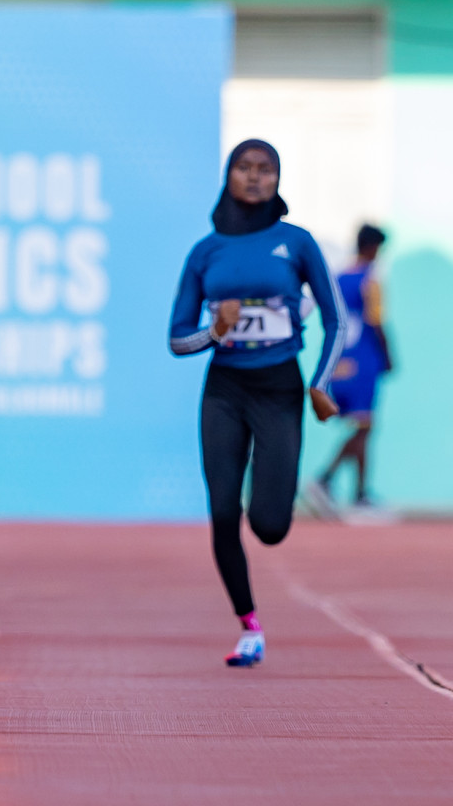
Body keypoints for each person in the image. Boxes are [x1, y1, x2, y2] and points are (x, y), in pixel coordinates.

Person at [168, 139, 346, 667]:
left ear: (277, 179)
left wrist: (321, 382)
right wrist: (212, 331)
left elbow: (337, 318)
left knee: (269, 526)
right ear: (228, 176)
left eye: (265, 170)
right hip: (224, 390)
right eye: (244, 168)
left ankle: (272, 504)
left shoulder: (296, 243)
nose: (254, 178)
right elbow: (177, 340)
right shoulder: (206, 251)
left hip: (279, 390)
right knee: (223, 511)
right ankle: (249, 626)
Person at [305, 225, 394, 517]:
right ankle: (326, 480)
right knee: (365, 427)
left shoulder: (339, 278)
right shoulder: (371, 280)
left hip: (342, 362)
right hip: (365, 361)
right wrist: (388, 355)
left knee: (362, 428)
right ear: (372, 248)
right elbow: (376, 321)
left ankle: (358, 494)